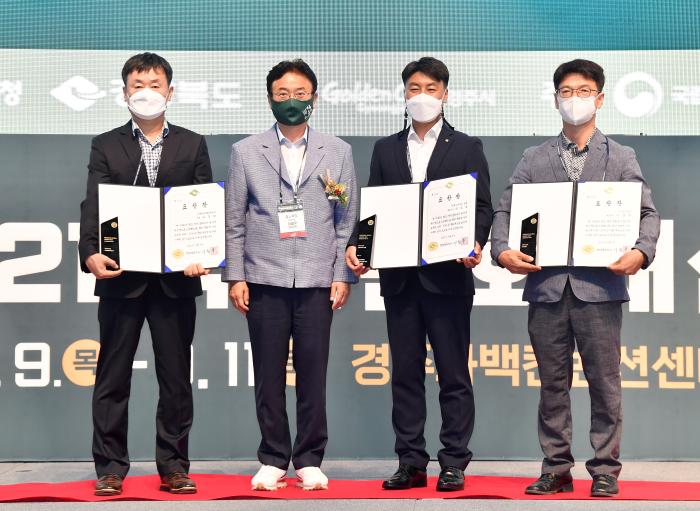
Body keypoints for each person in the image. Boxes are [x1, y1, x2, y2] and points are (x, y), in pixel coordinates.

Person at [490, 59, 660, 498]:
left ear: (599, 99)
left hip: (600, 289)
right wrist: (502, 250)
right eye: (567, 92)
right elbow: (506, 210)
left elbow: (646, 213)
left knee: (605, 383)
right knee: (552, 385)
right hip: (547, 288)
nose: (575, 99)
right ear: (555, 100)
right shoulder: (534, 158)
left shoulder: (620, 156)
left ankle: (605, 470)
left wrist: (641, 252)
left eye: (584, 91)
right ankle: (556, 469)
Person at [346, 57, 493, 492]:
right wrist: (360, 247)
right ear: (404, 94)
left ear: (445, 94)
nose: (422, 96)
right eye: (414, 88)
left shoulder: (466, 146)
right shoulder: (386, 149)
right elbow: (373, 208)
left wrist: (475, 241)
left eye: (431, 88)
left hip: (448, 278)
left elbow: (481, 206)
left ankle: (453, 462)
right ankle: (410, 461)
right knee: (405, 374)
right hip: (401, 280)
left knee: (453, 373)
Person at [78, 52, 212, 496]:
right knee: (112, 377)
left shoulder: (192, 144)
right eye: (138, 85)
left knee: (175, 379)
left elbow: (204, 206)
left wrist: (202, 253)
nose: (147, 92)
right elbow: (93, 203)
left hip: (176, 281)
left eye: (155, 85)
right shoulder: (106, 144)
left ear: (170, 92)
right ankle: (110, 468)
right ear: (124, 93)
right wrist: (90, 252)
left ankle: (173, 466)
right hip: (122, 278)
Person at [223, 59, 358, 491]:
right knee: (267, 374)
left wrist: (342, 274)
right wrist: (235, 276)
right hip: (264, 277)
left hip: (318, 278)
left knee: (313, 373)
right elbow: (234, 220)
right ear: (270, 99)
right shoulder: (246, 151)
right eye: (282, 94)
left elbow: (346, 220)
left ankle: (310, 459)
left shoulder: (337, 151)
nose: (292, 101)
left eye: (300, 93)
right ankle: (272, 458)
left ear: (314, 98)